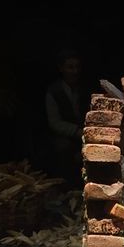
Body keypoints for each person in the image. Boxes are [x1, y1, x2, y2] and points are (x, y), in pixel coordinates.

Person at [44, 47, 88, 176]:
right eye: (70, 67)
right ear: (61, 68)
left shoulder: (84, 88)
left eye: (77, 67)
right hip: (66, 136)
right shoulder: (54, 91)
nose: (75, 71)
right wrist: (77, 131)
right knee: (63, 148)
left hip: (85, 133)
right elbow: (55, 122)